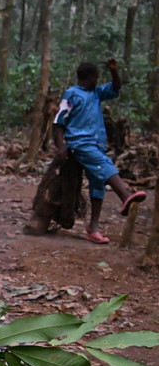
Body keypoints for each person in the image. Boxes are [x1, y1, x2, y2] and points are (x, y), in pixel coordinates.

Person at [52, 58, 146, 244]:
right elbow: (58, 122)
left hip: (95, 143)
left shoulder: (97, 93)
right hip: (79, 143)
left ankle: (93, 229)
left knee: (98, 184)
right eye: (97, 77)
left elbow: (116, 88)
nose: (98, 80)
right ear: (90, 77)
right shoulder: (72, 94)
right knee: (105, 165)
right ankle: (125, 197)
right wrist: (61, 146)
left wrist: (114, 71)